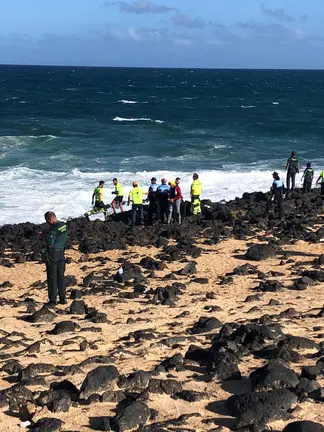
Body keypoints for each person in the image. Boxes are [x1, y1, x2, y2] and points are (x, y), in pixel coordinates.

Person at [43, 211, 67, 306]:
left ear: (50, 219)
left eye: (47, 221)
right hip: (61, 252)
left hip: (53, 253)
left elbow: (50, 243)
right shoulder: (63, 226)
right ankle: (62, 298)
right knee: (61, 276)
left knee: (52, 277)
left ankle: (53, 300)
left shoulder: (53, 228)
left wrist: (45, 235)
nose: (47, 223)